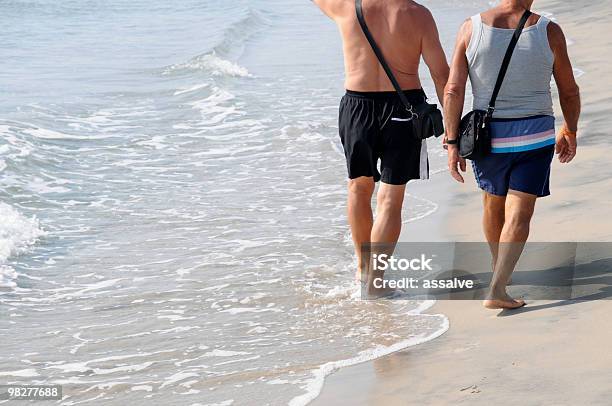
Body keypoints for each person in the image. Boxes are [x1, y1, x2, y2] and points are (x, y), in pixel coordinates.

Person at [444, 0, 581, 309]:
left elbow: (453, 90)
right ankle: (498, 285)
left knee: (493, 204)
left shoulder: (471, 27)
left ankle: (499, 273)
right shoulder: (549, 31)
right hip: (535, 136)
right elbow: (568, 90)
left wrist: (452, 142)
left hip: (488, 137)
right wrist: (570, 129)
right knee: (519, 212)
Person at [312, 0, 449, 295]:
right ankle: (375, 280)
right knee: (390, 197)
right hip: (404, 109)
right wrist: (452, 128)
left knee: (358, 189)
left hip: (357, 107)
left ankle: (363, 271)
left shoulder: (345, 7)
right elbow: (441, 75)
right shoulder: (418, 14)